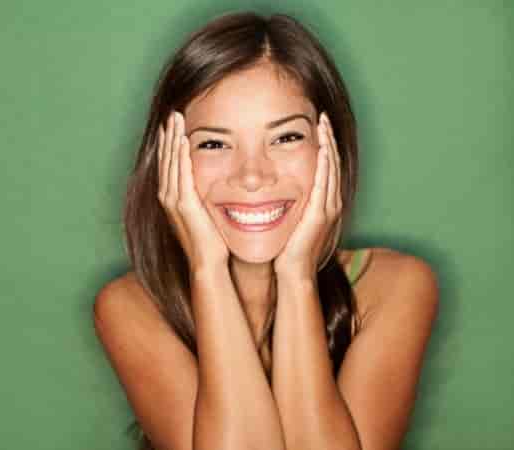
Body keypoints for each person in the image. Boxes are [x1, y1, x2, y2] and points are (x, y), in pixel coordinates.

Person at [93, 11, 439, 450]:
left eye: (286, 138)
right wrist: (207, 269)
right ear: (168, 162)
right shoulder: (131, 306)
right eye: (214, 143)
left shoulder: (394, 287)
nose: (252, 175)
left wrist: (296, 275)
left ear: (330, 147)